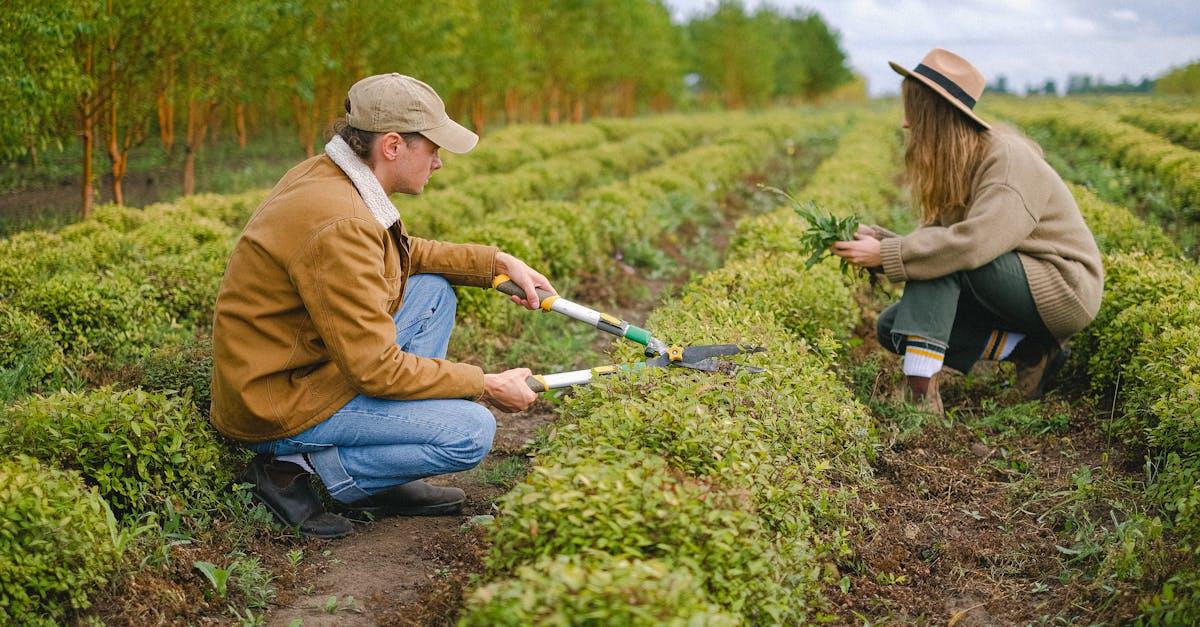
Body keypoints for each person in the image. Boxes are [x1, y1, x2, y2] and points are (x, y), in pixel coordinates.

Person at [210, 74, 553, 538]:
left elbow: (401, 252)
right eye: (433, 148)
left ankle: (382, 474)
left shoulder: (335, 176)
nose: (439, 163)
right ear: (392, 146)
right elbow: (376, 369)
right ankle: (292, 468)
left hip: (307, 365)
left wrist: (495, 262)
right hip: (279, 403)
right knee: (471, 430)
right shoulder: (340, 221)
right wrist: (485, 384)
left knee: (431, 291)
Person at [831, 48, 1104, 414]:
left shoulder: (1005, 159)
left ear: (935, 115)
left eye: (913, 111)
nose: (905, 124)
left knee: (943, 261)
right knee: (893, 326)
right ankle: (1031, 351)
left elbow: (971, 245)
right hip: (1009, 280)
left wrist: (887, 254)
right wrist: (879, 242)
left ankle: (919, 396)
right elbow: (946, 243)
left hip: (1061, 288)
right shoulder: (960, 161)